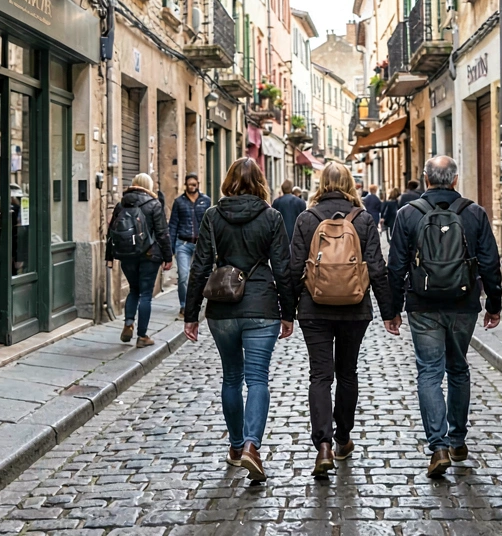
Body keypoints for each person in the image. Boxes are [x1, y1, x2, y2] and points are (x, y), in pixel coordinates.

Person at [387, 156, 502, 477]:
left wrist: (392, 310)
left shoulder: (407, 214)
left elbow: (395, 267)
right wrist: (494, 303)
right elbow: (491, 263)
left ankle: (437, 446)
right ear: (454, 180)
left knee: (429, 373)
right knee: (458, 368)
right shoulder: (474, 213)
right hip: (464, 302)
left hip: (422, 305)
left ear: (425, 179)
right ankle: (458, 439)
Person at [184, 157, 295, 482]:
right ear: (260, 181)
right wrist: (288, 312)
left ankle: (235, 447)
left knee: (232, 377)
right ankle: (251, 445)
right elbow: (283, 267)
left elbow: (200, 266)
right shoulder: (271, 217)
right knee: (257, 378)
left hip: (222, 308)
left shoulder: (213, 216)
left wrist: (191, 315)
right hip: (261, 307)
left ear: (228, 181)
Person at [287, 162, 395, 476]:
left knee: (320, 376)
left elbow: (294, 268)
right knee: (347, 373)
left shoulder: (307, 219)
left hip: (313, 307)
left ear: (321, 183)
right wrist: (390, 312)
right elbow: (376, 268)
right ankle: (343, 438)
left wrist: (287, 311)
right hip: (354, 307)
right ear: (350, 183)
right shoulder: (362, 219)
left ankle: (323, 446)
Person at [108, 173, 171, 347]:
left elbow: (110, 232)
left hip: (127, 256)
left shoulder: (121, 205)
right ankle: (142, 336)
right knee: (145, 295)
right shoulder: (154, 204)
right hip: (150, 256)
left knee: (133, 290)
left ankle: (128, 323)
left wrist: (109, 257)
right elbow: (162, 233)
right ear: (149, 186)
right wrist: (168, 257)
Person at [168, 173, 211, 320]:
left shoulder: (206, 201)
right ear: (185, 185)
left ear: (198, 184)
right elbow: (173, 224)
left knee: (199, 277)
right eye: (189, 184)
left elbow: (209, 224)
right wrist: (170, 248)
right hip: (183, 244)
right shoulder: (179, 202)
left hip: (200, 244)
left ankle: (195, 304)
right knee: (183, 276)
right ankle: (184, 306)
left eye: (194, 184)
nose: (192, 187)